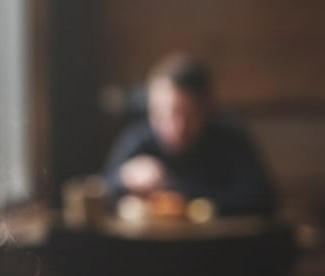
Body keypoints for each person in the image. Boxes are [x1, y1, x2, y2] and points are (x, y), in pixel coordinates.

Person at [102, 53, 277, 219]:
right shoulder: (139, 139)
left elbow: (261, 200)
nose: (176, 127)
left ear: (207, 109)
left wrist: (175, 189)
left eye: (187, 115)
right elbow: (103, 190)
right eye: (161, 114)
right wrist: (124, 179)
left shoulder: (230, 138)